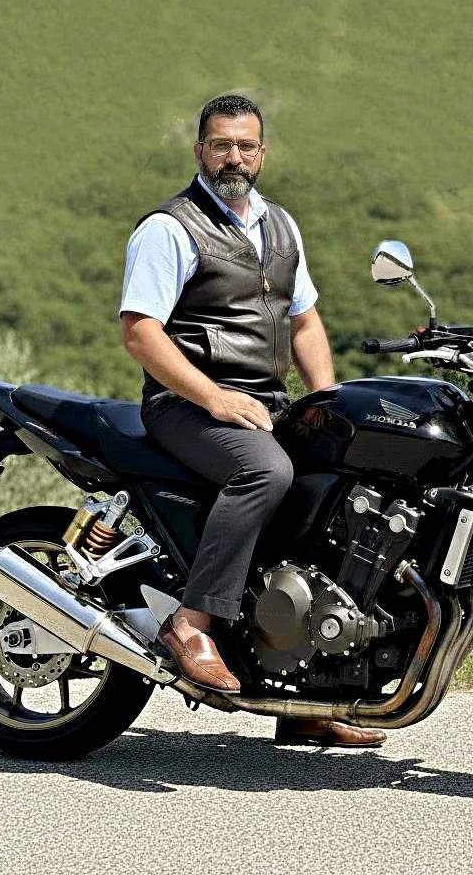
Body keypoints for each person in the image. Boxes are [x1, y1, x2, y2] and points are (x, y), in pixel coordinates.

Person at [118, 93, 385, 748]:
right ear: (200, 151)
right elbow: (141, 333)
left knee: (339, 484)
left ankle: (304, 691)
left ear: (262, 154)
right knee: (264, 472)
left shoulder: (281, 227)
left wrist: (329, 403)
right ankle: (192, 623)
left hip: (263, 402)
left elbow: (304, 322)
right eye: (220, 145)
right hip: (186, 404)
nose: (233, 157)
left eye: (244, 146)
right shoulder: (170, 228)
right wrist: (213, 397)